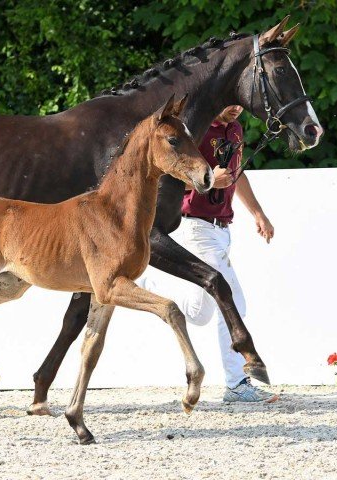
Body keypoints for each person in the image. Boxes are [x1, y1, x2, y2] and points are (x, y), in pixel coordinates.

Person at [136, 105, 278, 402]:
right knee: (234, 299)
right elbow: (172, 167)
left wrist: (258, 213)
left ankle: (149, 283)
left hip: (222, 228)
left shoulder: (235, 130)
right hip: (196, 226)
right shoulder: (197, 129)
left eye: (240, 105)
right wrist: (210, 179)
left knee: (200, 314)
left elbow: (238, 175)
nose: (237, 109)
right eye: (230, 104)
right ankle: (237, 384)